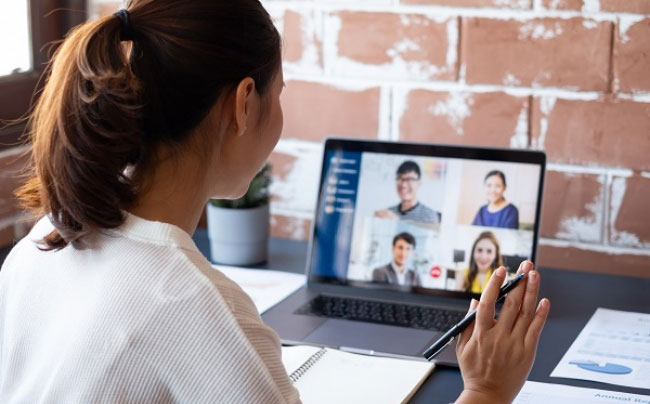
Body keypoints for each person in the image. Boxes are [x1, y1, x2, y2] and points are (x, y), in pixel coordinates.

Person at [0, 1, 549, 403]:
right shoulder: (189, 307)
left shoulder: (41, 242)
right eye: (279, 92)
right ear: (243, 103)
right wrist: (486, 390)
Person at [374, 160, 441, 224]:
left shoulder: (429, 215)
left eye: (409, 179)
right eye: (400, 178)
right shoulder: (389, 212)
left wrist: (395, 222)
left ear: (419, 183)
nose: (403, 185)